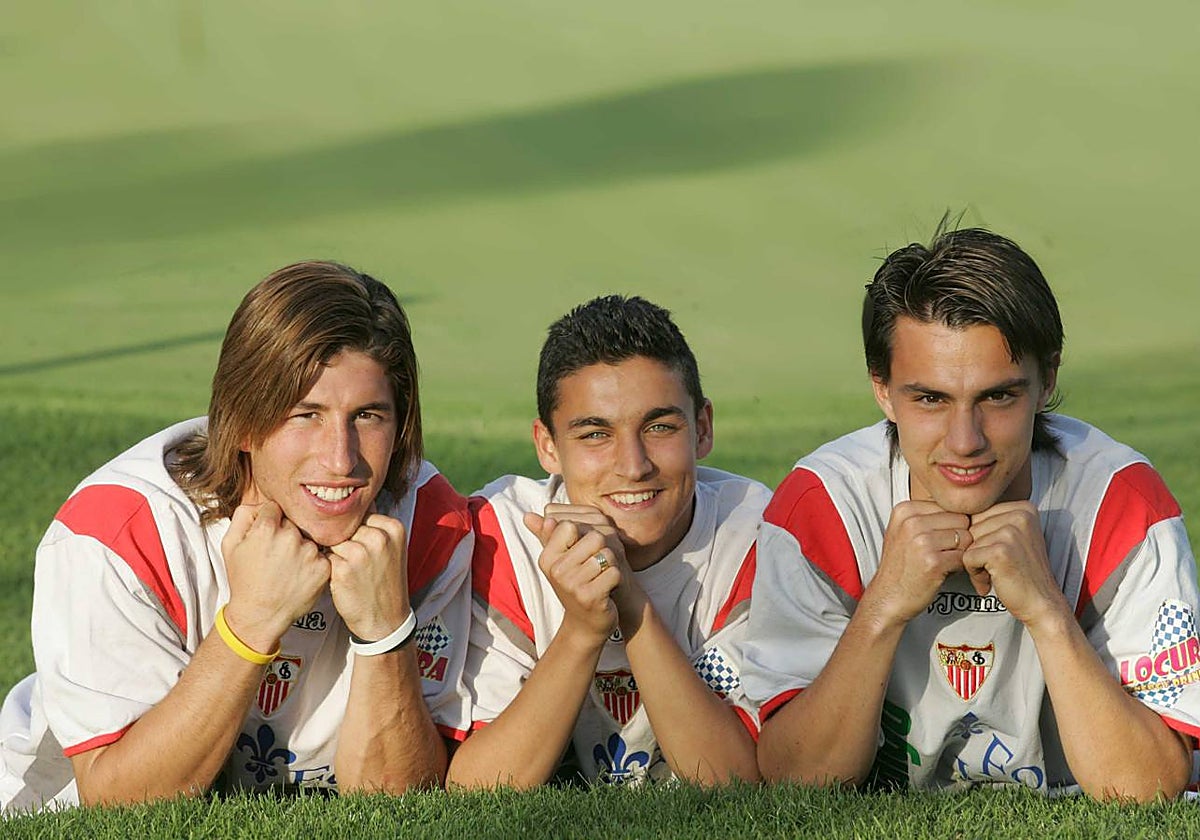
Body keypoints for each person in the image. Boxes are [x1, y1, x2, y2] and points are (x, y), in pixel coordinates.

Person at [744, 227, 1200, 800]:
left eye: (998, 397)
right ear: (882, 390)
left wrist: (1047, 613)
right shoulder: (823, 505)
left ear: (1048, 380)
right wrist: (882, 608)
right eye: (930, 398)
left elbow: (1148, 788)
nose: (965, 441)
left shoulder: (1120, 502)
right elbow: (797, 780)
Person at [0, 261, 473, 811]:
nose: (341, 460)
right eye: (305, 415)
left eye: (367, 415)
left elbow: (401, 801)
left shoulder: (432, 520)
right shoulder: (118, 531)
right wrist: (249, 623)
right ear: (242, 422)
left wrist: (385, 630)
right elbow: (118, 801)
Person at [447, 295, 767, 787]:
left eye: (659, 427)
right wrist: (582, 631)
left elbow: (730, 782)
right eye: (595, 434)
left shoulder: (754, 533)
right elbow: (477, 788)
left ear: (702, 429)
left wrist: (631, 604)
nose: (633, 465)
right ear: (548, 446)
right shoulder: (503, 533)